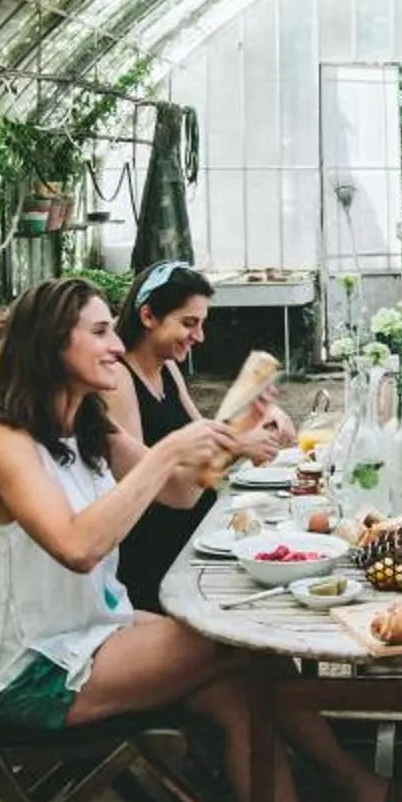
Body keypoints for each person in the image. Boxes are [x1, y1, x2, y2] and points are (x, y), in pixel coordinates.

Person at [0, 277, 402, 802]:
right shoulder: (5, 444)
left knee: (242, 691)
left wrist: (238, 428)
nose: (116, 346)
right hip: (34, 672)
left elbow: (180, 492)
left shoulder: (83, 426)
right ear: (50, 344)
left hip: (92, 633)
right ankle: (347, 782)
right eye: (100, 332)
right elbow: (78, 547)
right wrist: (165, 450)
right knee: (246, 642)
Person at [110, 260, 288, 614]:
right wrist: (237, 446)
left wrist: (253, 418)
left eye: (201, 324)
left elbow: (204, 435)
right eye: (189, 323)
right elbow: (147, 484)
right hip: (160, 559)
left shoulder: (167, 368)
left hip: (199, 533)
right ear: (148, 316)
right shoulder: (118, 380)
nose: (200, 336)